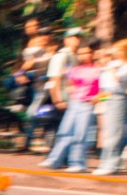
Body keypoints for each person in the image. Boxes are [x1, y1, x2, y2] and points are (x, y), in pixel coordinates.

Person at [40, 42, 101, 173]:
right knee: (65, 131)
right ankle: (54, 160)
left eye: (86, 53)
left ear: (92, 54)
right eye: (80, 53)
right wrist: (69, 94)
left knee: (80, 134)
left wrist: (97, 99)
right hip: (74, 103)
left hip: (87, 104)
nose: (82, 56)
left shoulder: (99, 70)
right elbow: (69, 83)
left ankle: (78, 163)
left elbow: (107, 90)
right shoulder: (76, 69)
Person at [94, 39, 127, 175]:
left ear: (126, 51)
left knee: (114, 133)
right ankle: (109, 162)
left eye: (118, 49)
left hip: (119, 98)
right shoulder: (113, 64)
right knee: (108, 132)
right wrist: (100, 98)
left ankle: (110, 165)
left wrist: (112, 69)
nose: (115, 52)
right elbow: (104, 83)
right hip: (107, 97)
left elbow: (119, 79)